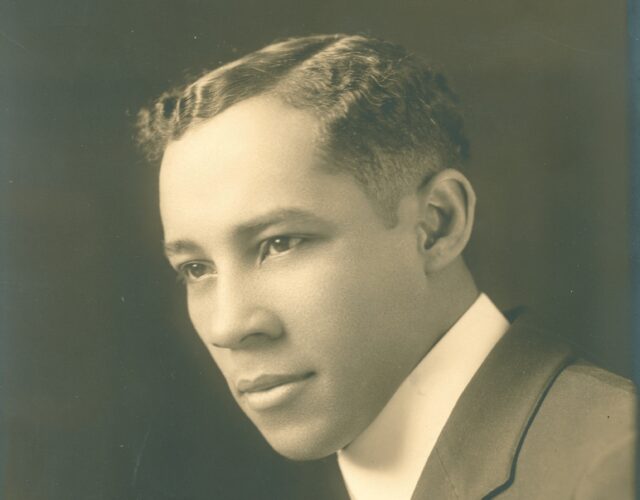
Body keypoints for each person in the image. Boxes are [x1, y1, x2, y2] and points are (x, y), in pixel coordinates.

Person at [136, 34, 636, 499]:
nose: (229, 327)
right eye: (196, 268)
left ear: (437, 225)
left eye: (281, 242)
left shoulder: (612, 468)